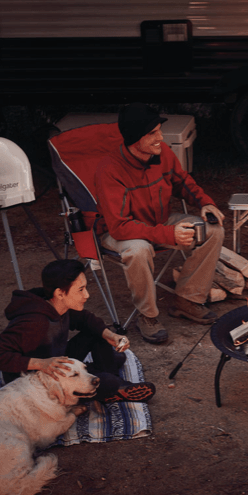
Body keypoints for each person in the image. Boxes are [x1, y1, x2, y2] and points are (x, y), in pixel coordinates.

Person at [95, 103, 225, 344]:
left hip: (160, 221)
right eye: (153, 133)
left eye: (159, 131)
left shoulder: (161, 153)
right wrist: (168, 234)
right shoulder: (110, 170)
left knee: (213, 230)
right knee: (138, 249)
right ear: (136, 138)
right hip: (123, 231)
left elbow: (182, 182)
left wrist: (204, 203)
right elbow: (119, 226)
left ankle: (188, 299)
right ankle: (148, 316)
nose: (161, 138)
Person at [0, 259, 156, 403]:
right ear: (60, 293)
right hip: (37, 383)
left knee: (98, 334)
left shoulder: (59, 304)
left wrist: (112, 336)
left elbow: (86, 319)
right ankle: (113, 386)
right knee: (107, 382)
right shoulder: (33, 322)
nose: (87, 295)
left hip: (57, 360)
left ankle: (105, 373)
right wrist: (41, 364)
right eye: (80, 290)